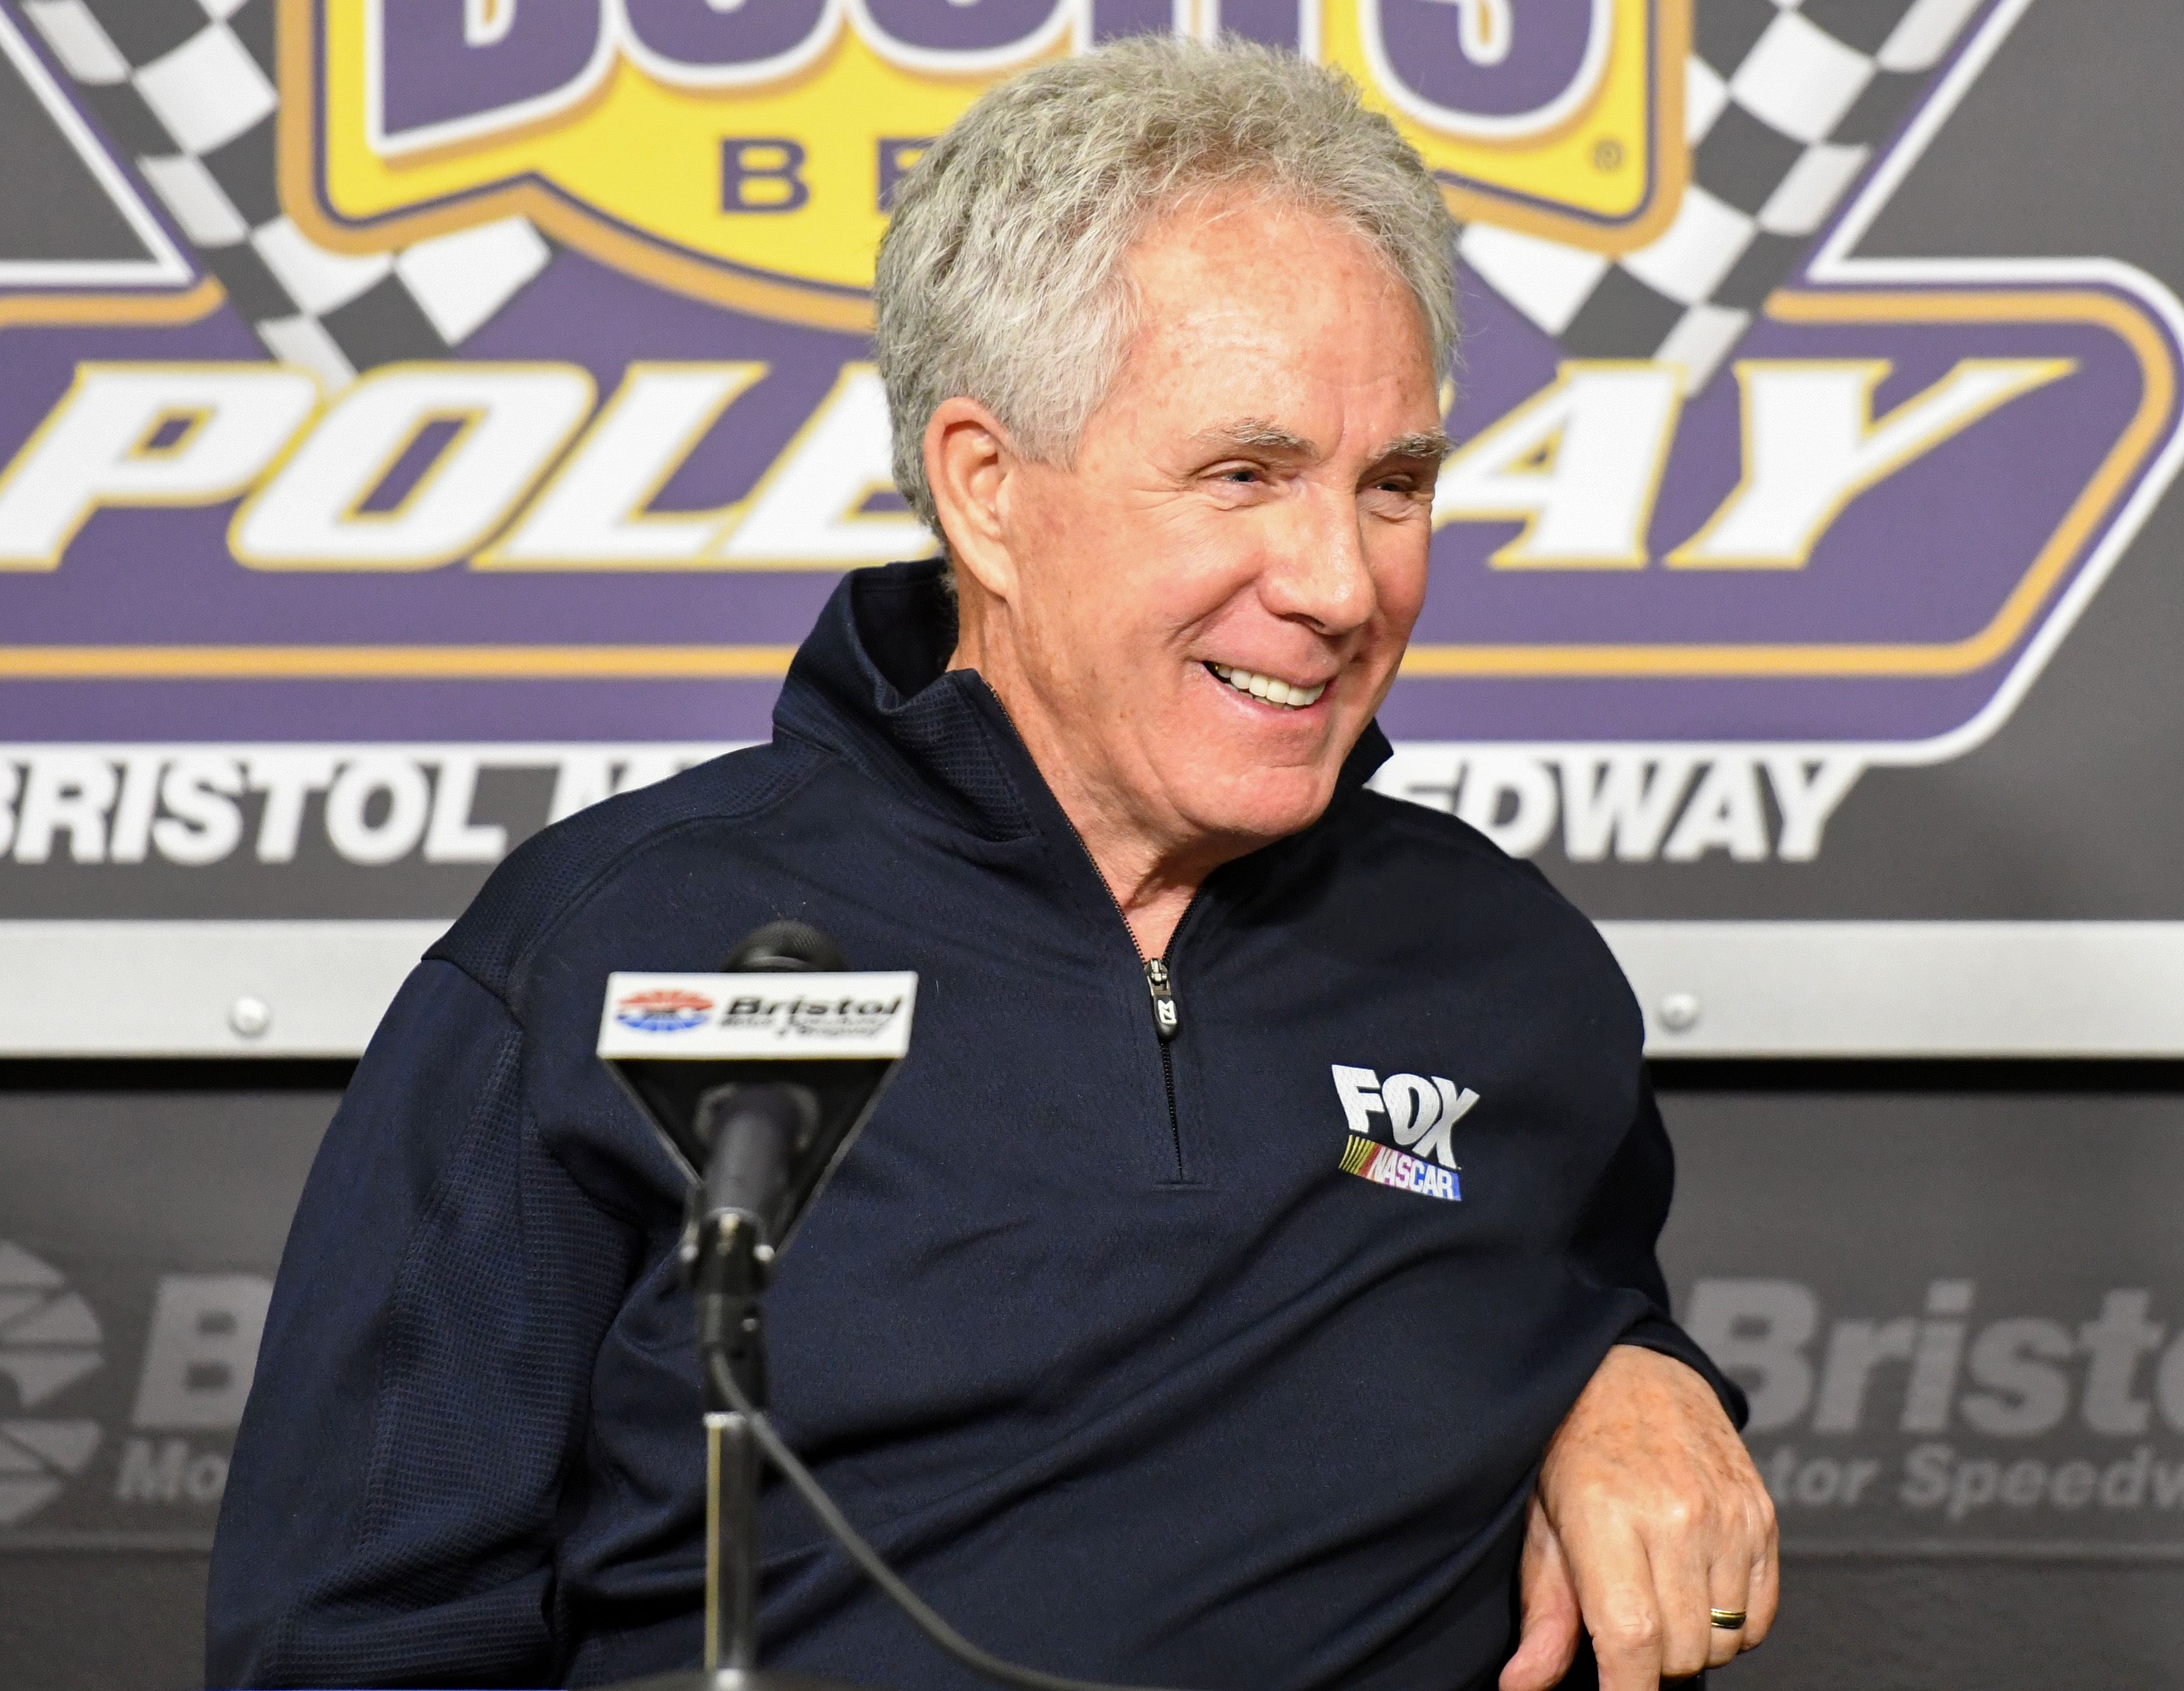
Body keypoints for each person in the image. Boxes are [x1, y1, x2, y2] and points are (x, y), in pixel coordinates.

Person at [208, 37, 1776, 1691]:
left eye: (1394, 484)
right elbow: (353, 1640)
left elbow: (1562, 1301)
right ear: (988, 491)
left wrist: (1631, 1371)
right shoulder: (604, 953)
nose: (1338, 580)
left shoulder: (1502, 965)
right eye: (1245, 474)